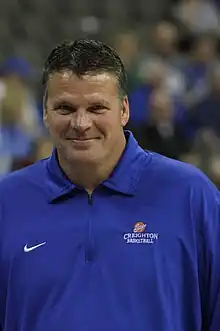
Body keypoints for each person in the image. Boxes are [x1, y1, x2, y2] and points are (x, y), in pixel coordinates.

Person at [0, 39, 219, 331]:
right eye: (65, 108)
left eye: (96, 107)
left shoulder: (191, 195)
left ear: (124, 110)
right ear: (45, 112)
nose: (80, 122)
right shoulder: (8, 201)